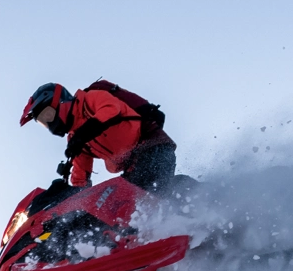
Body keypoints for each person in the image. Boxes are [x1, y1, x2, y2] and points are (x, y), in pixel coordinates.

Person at [19, 82, 178, 192]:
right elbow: (80, 179)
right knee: (122, 205)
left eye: (48, 115)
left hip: (152, 145)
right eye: (43, 122)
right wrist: (69, 196)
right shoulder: (75, 139)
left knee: (151, 195)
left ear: (60, 102)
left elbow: (111, 110)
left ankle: (196, 210)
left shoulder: (89, 99)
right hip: (132, 168)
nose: (49, 123)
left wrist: (82, 135)